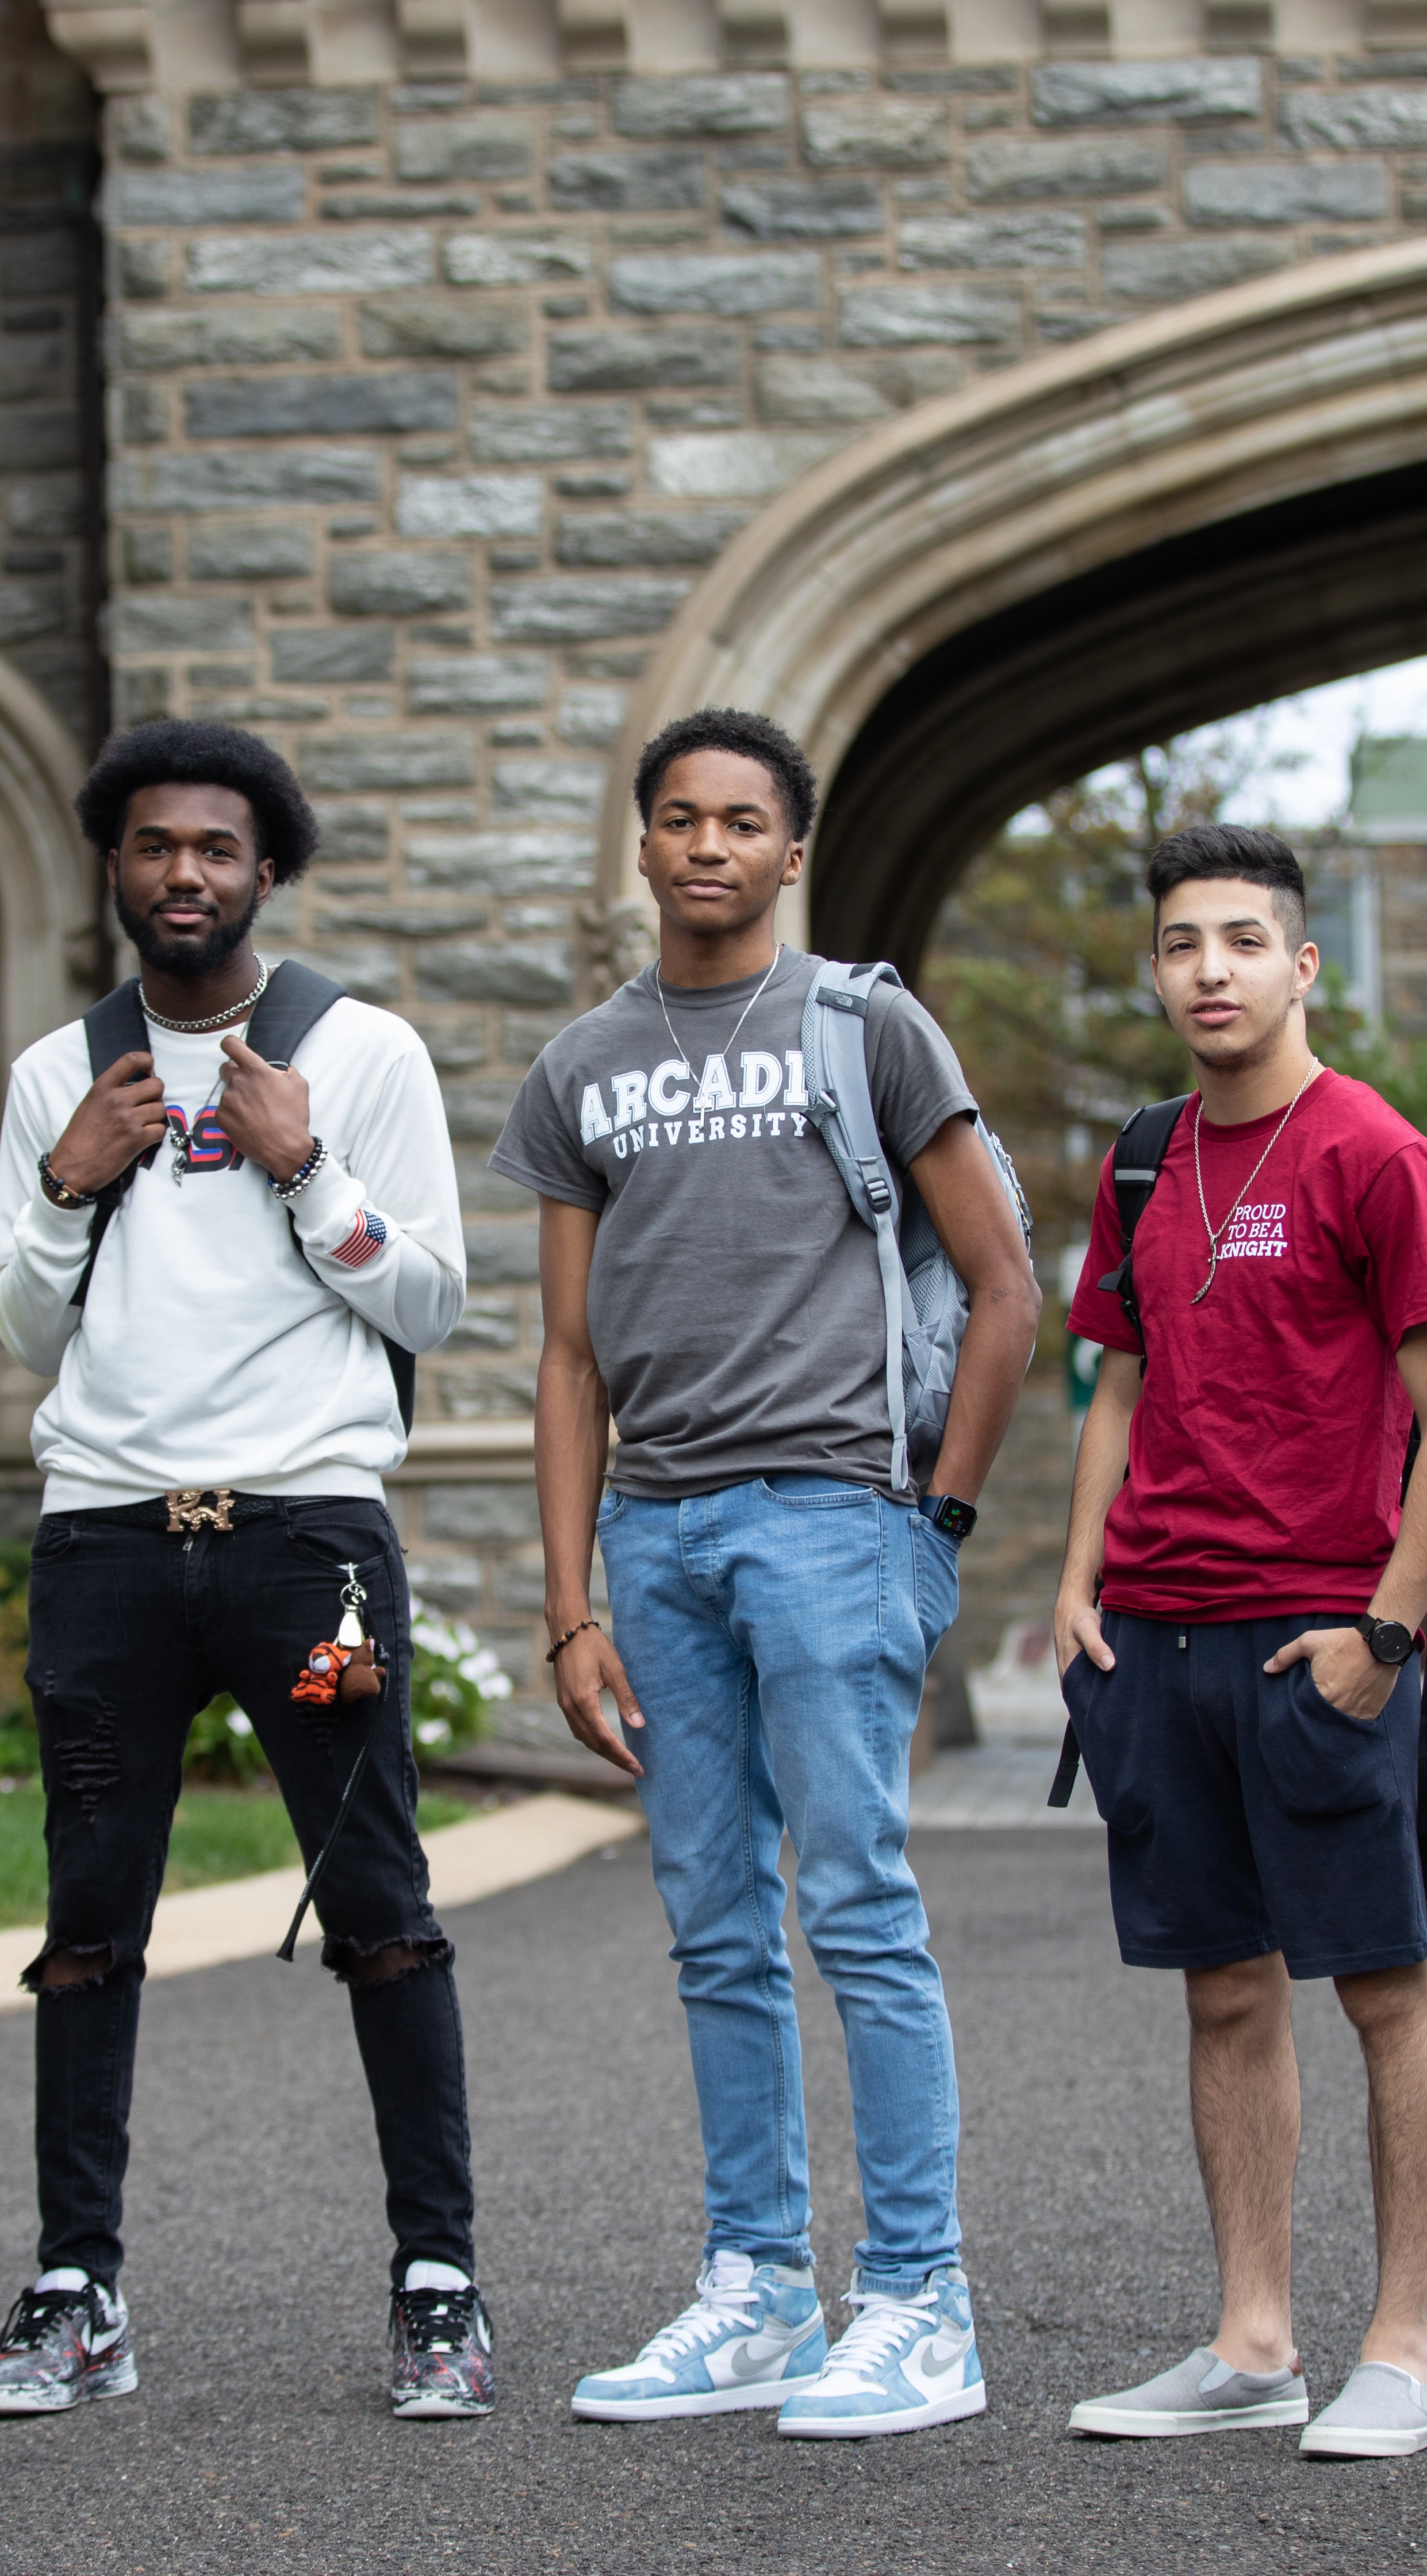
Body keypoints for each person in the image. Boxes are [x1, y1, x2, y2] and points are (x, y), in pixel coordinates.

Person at [501, 708, 1038, 2439]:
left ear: (791, 851)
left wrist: (929, 1524)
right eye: (680, 819)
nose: (711, 846)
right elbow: (568, 1357)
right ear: (642, 847)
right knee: (714, 1927)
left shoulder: (863, 1026)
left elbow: (1007, 1289)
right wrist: (573, 1600)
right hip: (656, 1537)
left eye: (745, 821)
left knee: (860, 1908)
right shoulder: (583, 1065)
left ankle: (921, 2300)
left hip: (830, 1518)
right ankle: (755, 2291)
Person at [0, 718, 485, 2421]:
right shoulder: (65, 1074)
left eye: (215, 849)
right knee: (86, 1921)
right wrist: (71, 1180)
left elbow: (429, 1302)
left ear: (268, 870)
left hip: (311, 1547)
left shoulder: (367, 1058)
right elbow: (20, 1326)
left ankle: (437, 2286)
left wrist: (307, 1164)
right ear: (115, 870)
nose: (182, 874)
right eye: (151, 848)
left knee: (382, 1906)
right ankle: (75, 2290)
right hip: (110, 1547)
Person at [1048, 825, 1427, 2463]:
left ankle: (1405, 2354)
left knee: (1383, 1983)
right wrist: (1078, 1581)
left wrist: (1389, 1628)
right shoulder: (1147, 1155)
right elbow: (1120, 1379)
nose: (1210, 970)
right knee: (1223, 1990)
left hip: (1319, 1639)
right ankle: (1252, 2344)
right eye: (1181, 944)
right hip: (1154, 1638)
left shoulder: (1375, 1153)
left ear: (1307, 966)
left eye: (1244, 941)